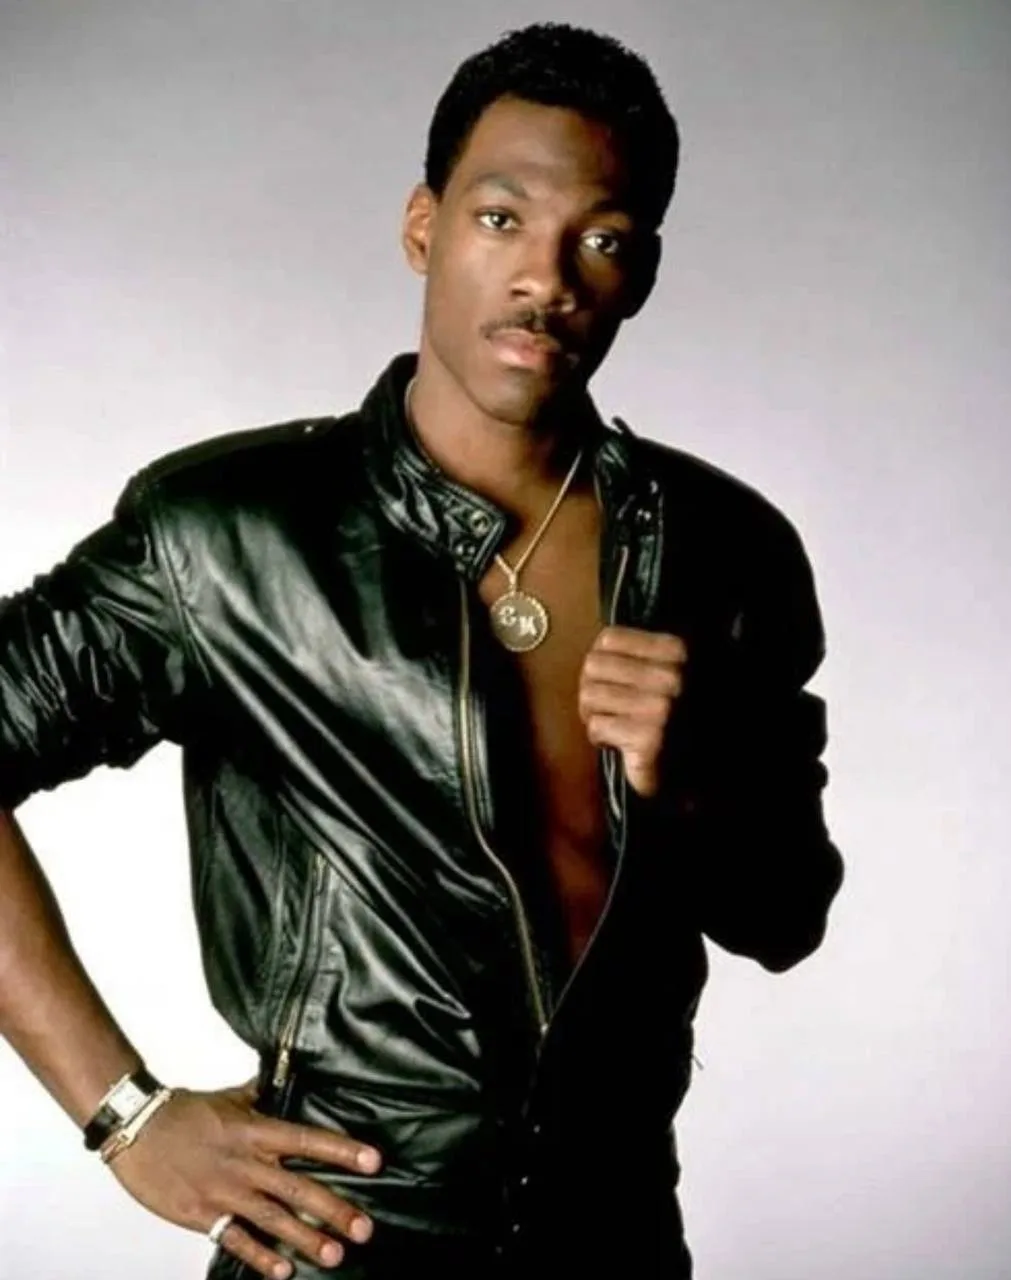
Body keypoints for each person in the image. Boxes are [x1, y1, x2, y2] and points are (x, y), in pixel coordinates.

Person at [0, 21, 843, 1280]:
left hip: (617, 1241)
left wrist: (703, 777)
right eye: (503, 219)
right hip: (338, 1243)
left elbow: (787, 914)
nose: (546, 279)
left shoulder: (727, 549)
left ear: (643, 272)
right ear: (423, 227)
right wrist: (124, 1113)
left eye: (600, 240)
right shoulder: (230, 535)